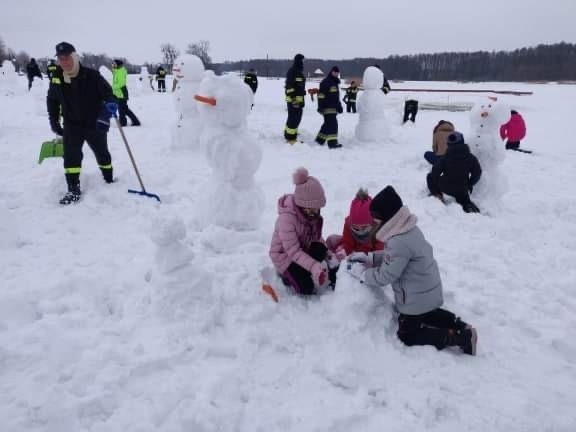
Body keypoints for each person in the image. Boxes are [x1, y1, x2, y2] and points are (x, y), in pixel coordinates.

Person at [347, 185, 478, 355]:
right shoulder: (406, 230)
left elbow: (385, 275)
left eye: (375, 219)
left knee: (407, 334)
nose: (373, 222)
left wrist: (362, 273)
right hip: (424, 291)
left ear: (387, 218)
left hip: (416, 298)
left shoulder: (398, 242)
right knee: (427, 315)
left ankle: (458, 338)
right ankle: (459, 325)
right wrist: (371, 258)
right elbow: (393, 257)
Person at [47, 42, 118, 205]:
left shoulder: (91, 75)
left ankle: (108, 179)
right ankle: (73, 189)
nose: (64, 62)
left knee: (102, 153)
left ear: (74, 57)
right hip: (72, 124)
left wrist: (108, 110)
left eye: (67, 58)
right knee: (71, 156)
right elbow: (52, 99)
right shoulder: (57, 77)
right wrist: (54, 120)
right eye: (60, 59)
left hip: (94, 123)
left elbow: (109, 96)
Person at [269, 167, 337, 295]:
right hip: (285, 256)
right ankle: (286, 276)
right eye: (312, 209)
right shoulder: (287, 219)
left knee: (320, 249)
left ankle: (303, 268)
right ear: (301, 205)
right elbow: (293, 251)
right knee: (306, 289)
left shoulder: (311, 214)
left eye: (318, 209)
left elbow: (316, 238)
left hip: (302, 248)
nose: (316, 212)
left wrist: (328, 253)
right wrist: (312, 266)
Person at [426, 132, 482, 213]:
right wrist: (470, 184)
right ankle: (467, 204)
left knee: (429, 177)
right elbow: (477, 173)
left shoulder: (445, 158)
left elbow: (434, 173)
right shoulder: (471, 157)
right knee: (463, 197)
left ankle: (438, 195)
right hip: (463, 188)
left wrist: (436, 184)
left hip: (446, 187)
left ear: (449, 144)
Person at [327, 189, 385, 258]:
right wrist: (344, 249)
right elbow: (348, 242)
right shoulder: (349, 224)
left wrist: (366, 257)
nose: (360, 230)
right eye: (356, 228)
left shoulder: (378, 228)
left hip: (370, 257)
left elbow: (380, 252)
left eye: (364, 227)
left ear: (371, 222)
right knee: (332, 239)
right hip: (354, 253)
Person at [315, 66, 343, 149]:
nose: (336, 74)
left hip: (333, 108)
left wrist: (339, 107)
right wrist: (320, 107)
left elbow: (336, 97)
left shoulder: (335, 83)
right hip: (326, 107)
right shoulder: (326, 82)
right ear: (331, 72)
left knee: (327, 124)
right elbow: (320, 95)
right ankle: (332, 143)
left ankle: (319, 140)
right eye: (334, 72)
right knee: (333, 125)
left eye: (337, 73)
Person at [284, 54, 306, 144]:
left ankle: (289, 133)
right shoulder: (292, 71)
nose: (304, 62)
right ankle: (290, 138)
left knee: (296, 117)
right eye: (303, 60)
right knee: (294, 118)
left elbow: (298, 86)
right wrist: (294, 100)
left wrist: (302, 92)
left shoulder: (299, 71)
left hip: (299, 99)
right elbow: (289, 86)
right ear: (299, 60)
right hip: (294, 100)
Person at [112, 59, 141, 127]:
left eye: (114, 64)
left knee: (122, 109)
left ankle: (123, 123)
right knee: (124, 109)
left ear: (118, 65)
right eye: (112, 64)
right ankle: (134, 121)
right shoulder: (116, 71)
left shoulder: (120, 72)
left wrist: (113, 87)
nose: (113, 65)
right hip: (118, 93)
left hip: (122, 92)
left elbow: (121, 83)